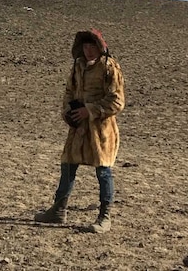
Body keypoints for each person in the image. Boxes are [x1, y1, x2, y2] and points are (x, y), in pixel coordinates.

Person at [34, 28, 126, 233]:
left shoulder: (110, 67)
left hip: (101, 131)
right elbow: (69, 91)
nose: (89, 50)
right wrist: (68, 111)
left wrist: (90, 110)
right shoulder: (77, 65)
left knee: (103, 171)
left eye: (92, 46)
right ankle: (58, 210)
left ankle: (105, 216)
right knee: (67, 167)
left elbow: (117, 101)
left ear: (100, 47)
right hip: (78, 128)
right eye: (85, 46)